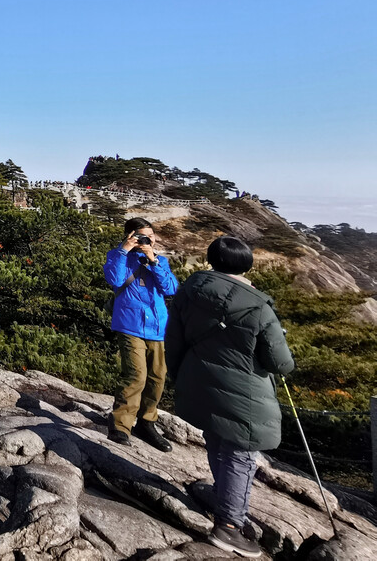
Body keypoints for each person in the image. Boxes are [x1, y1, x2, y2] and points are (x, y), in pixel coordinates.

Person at [167, 236, 294, 558]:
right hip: (243, 392)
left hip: (198, 379)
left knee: (216, 438)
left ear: (212, 261)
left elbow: (173, 341)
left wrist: (180, 377)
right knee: (240, 454)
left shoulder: (188, 291)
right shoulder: (257, 306)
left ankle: (221, 494)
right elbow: (280, 363)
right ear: (247, 265)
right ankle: (230, 527)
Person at [104, 217, 179, 450]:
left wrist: (154, 260)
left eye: (150, 236)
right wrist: (124, 249)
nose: (147, 240)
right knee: (136, 375)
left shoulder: (159, 260)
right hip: (130, 324)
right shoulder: (119, 257)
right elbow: (114, 279)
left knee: (157, 378)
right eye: (141, 236)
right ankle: (120, 426)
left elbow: (171, 288)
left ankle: (147, 423)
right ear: (130, 236)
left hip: (157, 327)